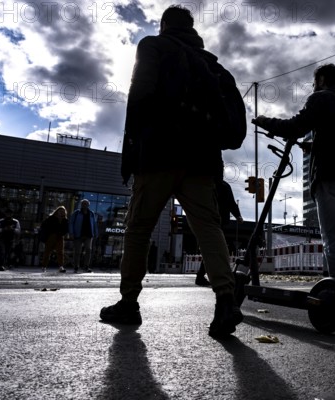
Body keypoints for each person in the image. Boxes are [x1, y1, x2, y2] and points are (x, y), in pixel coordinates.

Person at [99, 5, 243, 339]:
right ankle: (225, 299)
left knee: (138, 229)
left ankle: (129, 302)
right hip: (202, 161)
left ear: (164, 25)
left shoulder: (153, 46)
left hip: (159, 153)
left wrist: (133, 149)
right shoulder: (212, 65)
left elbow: (139, 95)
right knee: (208, 227)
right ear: (192, 29)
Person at [252, 63, 335, 325]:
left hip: (332, 176)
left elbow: (296, 125)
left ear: (320, 80)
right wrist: (315, 144)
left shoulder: (321, 98)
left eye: (314, 81)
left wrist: (265, 121)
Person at [196, 178, 244, 287]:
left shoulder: (222, 186)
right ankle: (214, 276)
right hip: (211, 220)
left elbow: (231, 202)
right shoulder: (212, 184)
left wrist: (238, 215)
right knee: (214, 249)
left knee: (213, 249)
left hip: (218, 221)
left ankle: (205, 276)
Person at [69, 199, 98, 273]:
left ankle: (86, 266)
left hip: (88, 235)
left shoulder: (91, 213)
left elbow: (94, 224)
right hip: (78, 235)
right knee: (77, 252)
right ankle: (76, 266)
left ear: (88, 205)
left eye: (86, 203)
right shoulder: (76, 213)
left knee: (88, 250)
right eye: (83, 203)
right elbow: (71, 223)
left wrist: (96, 233)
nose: (84, 205)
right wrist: (71, 233)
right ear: (81, 204)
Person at [40, 206, 69, 273]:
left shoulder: (65, 220)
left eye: (63, 211)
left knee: (60, 252)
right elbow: (44, 226)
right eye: (60, 211)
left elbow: (66, 229)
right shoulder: (51, 218)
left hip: (59, 237)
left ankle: (60, 266)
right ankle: (44, 266)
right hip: (51, 236)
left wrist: (62, 233)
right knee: (48, 252)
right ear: (57, 211)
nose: (62, 212)